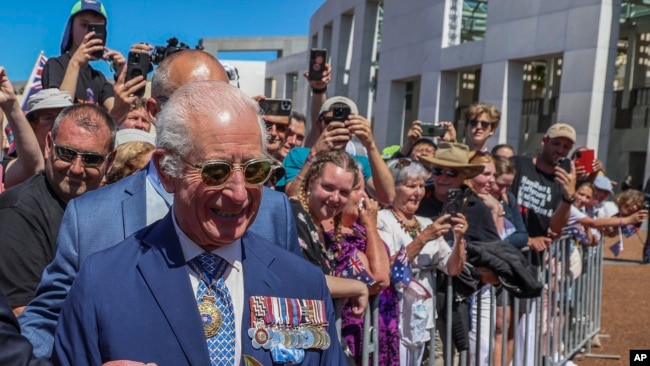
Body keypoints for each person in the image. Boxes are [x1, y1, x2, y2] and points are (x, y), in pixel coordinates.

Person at [19, 49, 301, 358]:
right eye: (190, 104)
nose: (236, 193)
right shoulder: (91, 216)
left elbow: (296, 319)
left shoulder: (273, 211)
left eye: (223, 99)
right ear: (154, 110)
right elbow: (49, 320)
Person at [52, 80, 345, 366]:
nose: (239, 193)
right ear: (167, 172)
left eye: (255, 170)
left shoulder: (303, 283)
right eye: (216, 171)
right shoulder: (102, 282)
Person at [0, 104, 116, 316]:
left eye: (91, 159)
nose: (76, 168)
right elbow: (23, 313)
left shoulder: (116, 208)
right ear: (48, 146)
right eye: (66, 153)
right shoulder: (18, 211)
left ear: (110, 162)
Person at [377, 157, 467, 365]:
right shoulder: (383, 219)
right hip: (392, 316)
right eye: (410, 186)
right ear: (394, 188)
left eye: (420, 186)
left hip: (420, 317)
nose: (418, 192)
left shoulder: (425, 222)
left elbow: (452, 268)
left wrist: (459, 238)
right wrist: (424, 237)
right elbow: (388, 265)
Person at [321, 167, 393, 365]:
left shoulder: (358, 228)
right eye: (357, 189)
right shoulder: (329, 233)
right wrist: (371, 224)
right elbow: (379, 278)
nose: (365, 196)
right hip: (349, 329)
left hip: (378, 328)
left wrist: (368, 226)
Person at [289, 150, 370, 317]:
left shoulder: (319, 227)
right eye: (328, 187)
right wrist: (358, 287)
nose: (335, 198)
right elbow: (306, 278)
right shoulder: (293, 216)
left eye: (344, 192)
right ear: (311, 181)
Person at [42, 0, 145, 122]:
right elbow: (59, 114)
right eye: (84, 25)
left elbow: (116, 116)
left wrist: (123, 76)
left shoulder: (98, 78)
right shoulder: (55, 65)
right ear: (70, 28)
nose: (89, 32)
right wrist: (75, 63)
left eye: (97, 27)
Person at [281, 96, 395, 205]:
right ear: (318, 124)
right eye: (329, 121)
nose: (338, 126)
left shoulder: (360, 163)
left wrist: (371, 145)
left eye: (346, 123)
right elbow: (292, 196)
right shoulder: (301, 155)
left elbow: (388, 197)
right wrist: (315, 154)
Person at [1, 71, 73, 189]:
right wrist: (11, 105)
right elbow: (33, 166)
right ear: (33, 125)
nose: (57, 123)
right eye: (48, 118)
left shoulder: (83, 165)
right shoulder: (11, 170)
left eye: (63, 116)